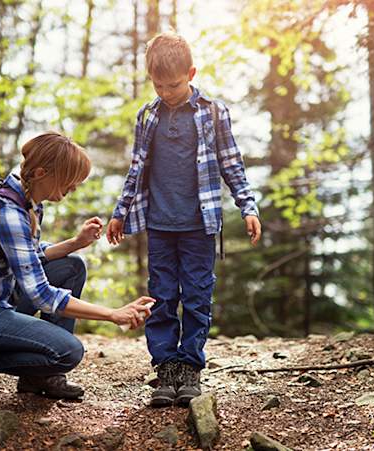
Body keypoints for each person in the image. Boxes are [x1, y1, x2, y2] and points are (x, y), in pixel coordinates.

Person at [0, 131, 154, 405]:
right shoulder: (9, 212)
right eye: (69, 180)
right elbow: (42, 295)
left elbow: (31, 257)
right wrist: (112, 314)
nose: (74, 187)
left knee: (71, 267)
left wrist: (76, 242)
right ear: (41, 173)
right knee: (67, 352)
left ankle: (38, 377)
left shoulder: (28, 202)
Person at [106, 32, 262, 407]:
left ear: (191, 73)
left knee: (195, 296)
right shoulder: (147, 116)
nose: (166, 91)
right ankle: (165, 367)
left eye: (174, 84)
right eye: (158, 85)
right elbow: (137, 169)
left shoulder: (212, 112)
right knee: (161, 295)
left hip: (199, 226)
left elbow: (231, 164)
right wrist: (120, 212)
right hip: (159, 225)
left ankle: (189, 366)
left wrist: (248, 206)